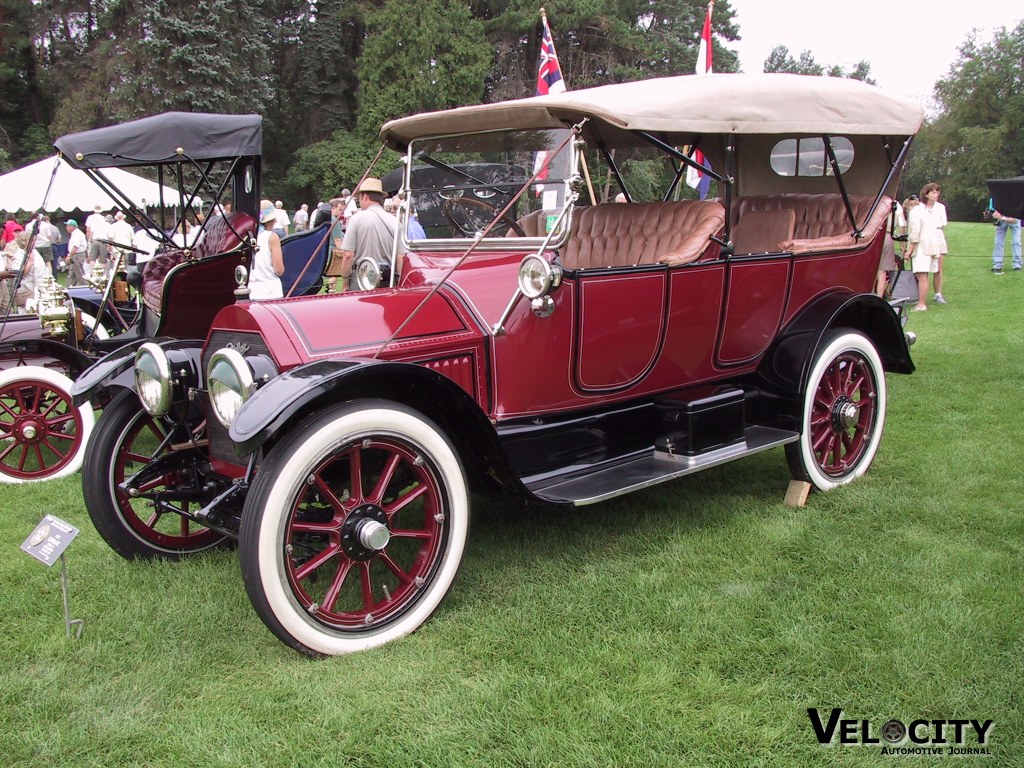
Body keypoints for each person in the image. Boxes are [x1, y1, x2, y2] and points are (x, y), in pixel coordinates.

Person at [336, 178, 404, 287]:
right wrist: (399, 282)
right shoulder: (396, 222)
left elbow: (348, 255)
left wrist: (345, 282)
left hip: (361, 280)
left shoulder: (356, 220)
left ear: (365, 196)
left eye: (359, 198)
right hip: (387, 281)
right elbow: (400, 257)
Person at [905, 182, 948, 311]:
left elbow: (915, 232)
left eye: (937, 192)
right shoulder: (920, 210)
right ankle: (921, 302)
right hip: (930, 243)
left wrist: (910, 250)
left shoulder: (917, 211)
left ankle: (922, 304)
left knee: (923, 274)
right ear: (926, 194)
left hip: (925, 245)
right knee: (923, 275)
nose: (936, 194)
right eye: (933, 192)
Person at [249, 206, 285, 300]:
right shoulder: (272, 237)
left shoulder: (247, 237)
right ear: (270, 221)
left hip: (251, 291)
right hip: (271, 291)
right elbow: (279, 270)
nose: (275, 221)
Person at [876, 199, 906, 297]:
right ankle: (879, 296)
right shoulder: (896, 204)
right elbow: (902, 224)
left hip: (872, 236)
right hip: (887, 235)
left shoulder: (876, 202)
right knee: (882, 271)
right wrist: (902, 244)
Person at [989, 200, 1021, 273]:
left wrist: (1002, 218)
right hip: (1001, 220)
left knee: (1016, 242)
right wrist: (994, 213)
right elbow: (993, 209)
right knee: (998, 242)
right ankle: (997, 266)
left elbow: (1015, 220)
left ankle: (1017, 265)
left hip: (1013, 219)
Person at [65, 219, 89, 287]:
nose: (66, 228)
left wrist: (69, 256)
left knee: (79, 275)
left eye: (67, 226)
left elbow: (75, 247)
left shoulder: (77, 234)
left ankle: (87, 288)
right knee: (72, 274)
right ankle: (68, 289)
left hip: (77, 255)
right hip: (76, 255)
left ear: (71, 227)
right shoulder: (76, 233)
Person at [85, 203, 110, 269]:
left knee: (92, 259)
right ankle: (102, 274)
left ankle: (92, 274)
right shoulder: (103, 218)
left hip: (94, 239)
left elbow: (88, 230)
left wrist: (89, 240)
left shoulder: (90, 218)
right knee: (103, 260)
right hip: (103, 240)